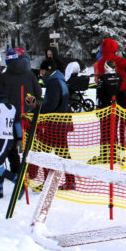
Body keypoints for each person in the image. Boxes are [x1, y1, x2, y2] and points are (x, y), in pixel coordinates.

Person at [0, 48, 41, 177]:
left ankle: (16, 169)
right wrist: (31, 104)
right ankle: (32, 170)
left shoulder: (3, 77)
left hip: (10, 115)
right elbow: (38, 92)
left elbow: (0, 96)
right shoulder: (29, 74)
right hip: (28, 114)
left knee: (11, 144)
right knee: (30, 143)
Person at [34, 59, 75, 190]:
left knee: (46, 152)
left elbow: (51, 104)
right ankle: (70, 181)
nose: (41, 74)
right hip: (61, 122)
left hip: (55, 124)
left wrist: (38, 110)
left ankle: (49, 183)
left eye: (43, 71)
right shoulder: (59, 80)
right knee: (62, 153)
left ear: (48, 70)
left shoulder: (54, 82)